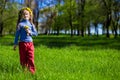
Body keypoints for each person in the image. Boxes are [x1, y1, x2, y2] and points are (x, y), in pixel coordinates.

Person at [13, 7, 38, 74]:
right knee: (23, 58)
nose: (25, 15)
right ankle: (25, 71)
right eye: (23, 14)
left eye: (27, 14)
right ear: (21, 15)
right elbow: (17, 35)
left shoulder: (31, 24)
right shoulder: (20, 24)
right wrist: (15, 44)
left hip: (30, 43)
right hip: (22, 44)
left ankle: (32, 72)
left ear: (30, 15)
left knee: (31, 57)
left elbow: (36, 34)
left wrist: (30, 32)